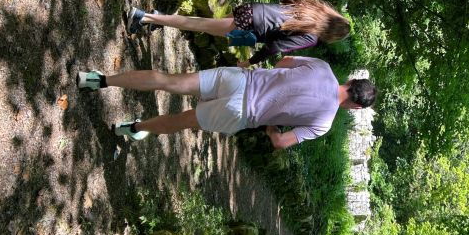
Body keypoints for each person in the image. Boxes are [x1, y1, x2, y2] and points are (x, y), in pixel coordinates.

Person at [76, 56, 377, 147]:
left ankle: (99, 80)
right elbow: (280, 142)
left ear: (351, 81)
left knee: (170, 81)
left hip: (240, 79)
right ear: (355, 107)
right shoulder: (323, 123)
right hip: (241, 113)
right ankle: (133, 127)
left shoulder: (322, 67)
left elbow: (284, 62)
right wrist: (273, 124)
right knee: (181, 121)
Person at [125, 0, 350, 67]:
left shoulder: (311, 8)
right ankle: (143, 16)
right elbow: (275, 47)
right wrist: (250, 62)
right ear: (331, 35)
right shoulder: (311, 37)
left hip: (251, 11)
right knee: (198, 25)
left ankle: (158, 19)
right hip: (249, 26)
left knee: (205, 25)